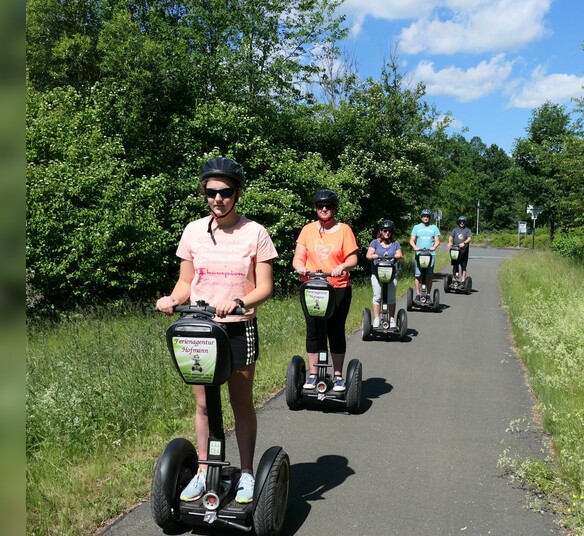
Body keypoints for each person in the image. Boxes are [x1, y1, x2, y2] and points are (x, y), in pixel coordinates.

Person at [155, 157, 278, 504]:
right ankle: (203, 468)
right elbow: (185, 281)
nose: (218, 198)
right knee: (204, 406)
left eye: (225, 191)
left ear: (237, 193)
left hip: (238, 329)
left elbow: (265, 287)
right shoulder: (193, 230)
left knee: (241, 403)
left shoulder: (255, 233)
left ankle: (248, 474)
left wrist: (239, 301)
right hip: (199, 329)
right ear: (204, 193)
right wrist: (171, 299)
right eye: (211, 192)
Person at [292, 189, 359, 392]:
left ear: (334, 208)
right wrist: (299, 267)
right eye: (320, 206)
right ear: (316, 208)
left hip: (338, 287)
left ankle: (338, 376)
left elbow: (353, 258)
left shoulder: (344, 230)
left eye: (328, 206)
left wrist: (342, 267)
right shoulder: (308, 230)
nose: (323, 209)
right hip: (312, 287)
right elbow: (298, 257)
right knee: (313, 331)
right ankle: (313, 374)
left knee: (335, 331)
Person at [365, 219, 403, 328]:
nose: (387, 233)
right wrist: (373, 256)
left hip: (392, 275)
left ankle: (391, 319)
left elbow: (400, 255)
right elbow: (368, 255)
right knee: (377, 296)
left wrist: (398, 256)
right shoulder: (375, 242)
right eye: (385, 230)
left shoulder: (395, 244)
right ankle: (376, 318)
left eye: (389, 231)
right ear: (381, 231)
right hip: (377, 274)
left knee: (391, 297)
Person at [409, 208, 441, 300]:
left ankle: (428, 295)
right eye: (424, 216)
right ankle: (418, 295)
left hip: (430, 254)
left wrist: (433, 247)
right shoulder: (416, 227)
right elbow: (412, 240)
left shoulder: (434, 228)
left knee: (429, 275)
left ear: (429, 217)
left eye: (427, 216)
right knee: (418, 275)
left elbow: (437, 241)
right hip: (419, 254)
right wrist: (415, 247)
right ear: (421, 217)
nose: (425, 218)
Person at [447, 215, 473, 281]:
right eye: (460, 222)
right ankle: (454, 279)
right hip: (455, 250)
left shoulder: (467, 230)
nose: (462, 223)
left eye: (463, 222)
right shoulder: (455, 229)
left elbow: (469, 238)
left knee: (463, 266)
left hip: (464, 251)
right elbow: (451, 236)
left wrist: (464, 243)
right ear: (458, 222)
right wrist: (450, 242)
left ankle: (463, 281)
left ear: (465, 222)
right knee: (455, 265)